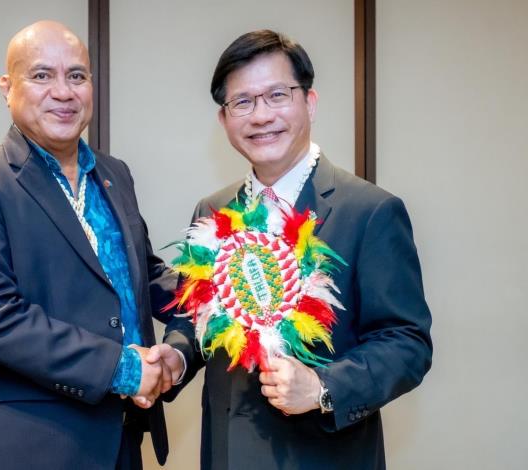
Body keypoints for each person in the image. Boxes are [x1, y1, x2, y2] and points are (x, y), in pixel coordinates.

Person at [170, 30, 433, 469]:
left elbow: (407, 342)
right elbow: (195, 320)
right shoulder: (213, 211)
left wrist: (322, 387)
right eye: (243, 102)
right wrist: (175, 356)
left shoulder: (370, 211)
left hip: (323, 456)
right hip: (227, 454)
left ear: (309, 102)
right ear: (224, 120)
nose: (260, 116)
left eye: (277, 95)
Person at [0, 20, 185, 470]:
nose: (64, 92)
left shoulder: (114, 173)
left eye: (77, 76)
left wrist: (225, 291)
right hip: (30, 444)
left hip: (121, 437)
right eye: (42, 75)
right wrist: (123, 370)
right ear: (7, 87)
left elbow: (143, 275)